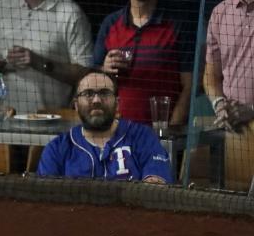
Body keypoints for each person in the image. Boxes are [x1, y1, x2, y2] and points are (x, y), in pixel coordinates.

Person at [93, 0, 193, 125]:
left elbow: (190, 85)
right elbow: (92, 77)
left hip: (161, 133)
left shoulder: (178, 24)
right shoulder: (110, 23)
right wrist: (104, 69)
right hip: (116, 132)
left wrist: (171, 133)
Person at [37, 71, 171, 183]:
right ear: (76, 105)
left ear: (117, 103)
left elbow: (156, 188)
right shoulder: (57, 149)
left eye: (104, 93)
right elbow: (46, 199)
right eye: (88, 94)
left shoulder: (143, 137)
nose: (96, 101)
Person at [204, 0, 254, 132]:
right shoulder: (219, 13)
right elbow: (210, 75)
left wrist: (252, 109)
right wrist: (219, 105)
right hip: (235, 131)